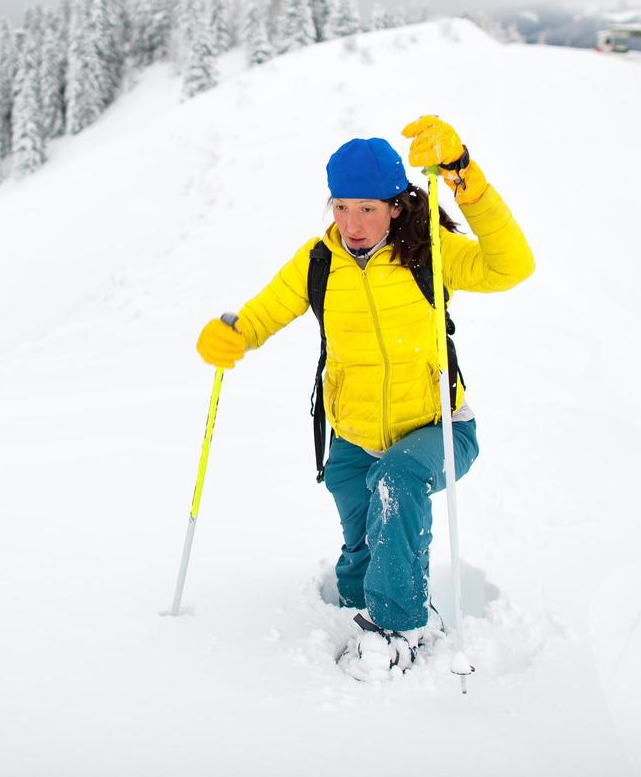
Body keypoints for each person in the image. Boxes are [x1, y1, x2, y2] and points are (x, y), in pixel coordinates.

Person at [195, 115, 534, 679]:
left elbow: (511, 266)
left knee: (396, 484)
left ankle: (400, 628)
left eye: (369, 208)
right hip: (353, 437)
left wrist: (461, 173)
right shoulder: (318, 262)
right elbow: (262, 314)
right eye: (342, 206)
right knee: (360, 557)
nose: (353, 222)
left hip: (440, 427)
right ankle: (366, 587)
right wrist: (233, 333)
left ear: (397, 205)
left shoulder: (432, 253)